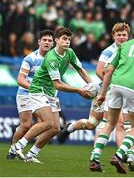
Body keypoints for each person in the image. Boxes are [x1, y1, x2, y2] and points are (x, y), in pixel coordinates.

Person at [13, 27, 93, 162]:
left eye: (69, 39)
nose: (67, 42)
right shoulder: (49, 58)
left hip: (50, 92)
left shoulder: (70, 53)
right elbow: (58, 84)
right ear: (57, 40)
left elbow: (80, 69)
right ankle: (17, 146)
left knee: (55, 128)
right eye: (64, 39)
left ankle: (32, 154)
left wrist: (92, 85)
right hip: (37, 90)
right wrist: (79, 90)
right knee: (42, 123)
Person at [58, 22, 130, 147]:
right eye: (119, 35)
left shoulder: (129, 51)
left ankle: (71, 129)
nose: (122, 37)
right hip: (106, 90)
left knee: (115, 123)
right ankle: (72, 130)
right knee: (93, 123)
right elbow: (98, 71)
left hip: (120, 91)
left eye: (124, 35)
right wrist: (113, 84)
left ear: (128, 36)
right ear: (113, 36)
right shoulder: (109, 51)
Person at [7, 30, 54, 161]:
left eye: (49, 40)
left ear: (53, 43)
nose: (47, 42)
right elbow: (20, 80)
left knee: (50, 124)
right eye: (44, 40)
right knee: (25, 126)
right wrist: (36, 88)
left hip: (41, 95)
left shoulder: (53, 59)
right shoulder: (30, 58)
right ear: (39, 42)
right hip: (26, 93)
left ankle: (32, 152)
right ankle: (13, 150)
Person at [90, 38, 134, 174]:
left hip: (115, 85)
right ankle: (119, 155)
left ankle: (95, 158)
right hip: (132, 87)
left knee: (110, 123)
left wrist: (102, 94)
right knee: (133, 126)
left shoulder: (125, 45)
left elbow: (107, 70)